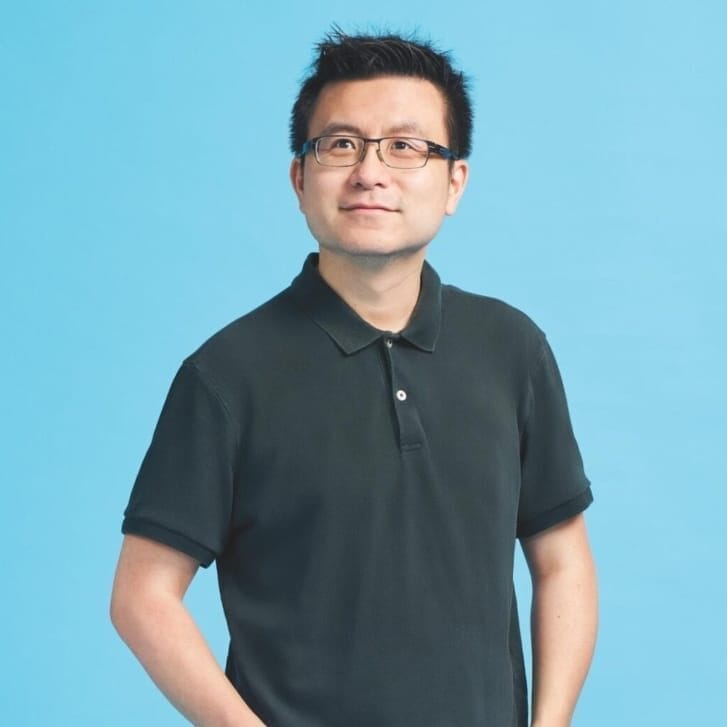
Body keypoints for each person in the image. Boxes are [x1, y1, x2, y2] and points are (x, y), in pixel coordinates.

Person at [111, 29, 597, 727]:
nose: (370, 171)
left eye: (405, 146)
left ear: (454, 180)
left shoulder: (510, 348)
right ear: (298, 178)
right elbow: (141, 594)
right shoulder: (225, 374)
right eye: (340, 144)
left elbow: (562, 561)